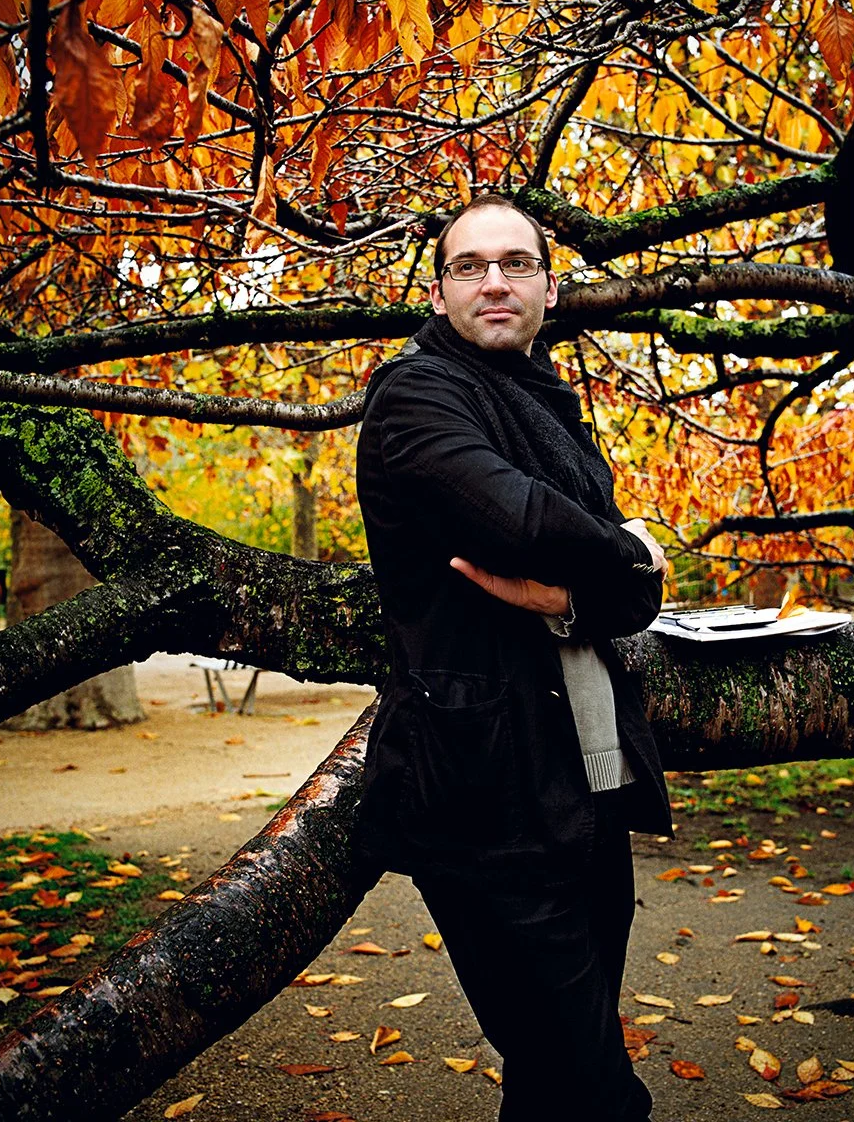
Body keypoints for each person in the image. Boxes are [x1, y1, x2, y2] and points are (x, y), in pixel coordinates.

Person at [355, 194, 673, 1120]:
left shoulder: (550, 401)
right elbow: (520, 519)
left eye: (516, 263)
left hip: (584, 780)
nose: (495, 281)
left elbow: (611, 590)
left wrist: (585, 592)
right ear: (441, 289)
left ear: (549, 285)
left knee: (551, 1079)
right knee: (598, 1091)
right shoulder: (416, 395)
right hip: (486, 800)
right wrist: (633, 558)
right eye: (469, 265)